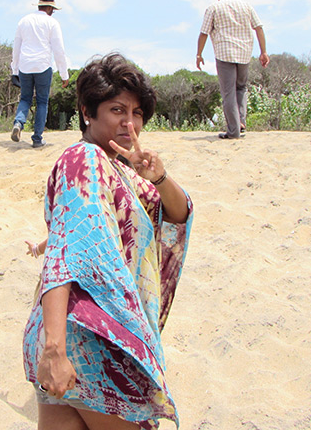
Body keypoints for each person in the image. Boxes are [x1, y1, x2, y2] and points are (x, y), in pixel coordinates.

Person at [22, 53, 193, 430]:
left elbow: (177, 217)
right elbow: (65, 256)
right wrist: (54, 349)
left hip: (75, 335)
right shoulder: (83, 161)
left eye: (137, 112)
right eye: (117, 109)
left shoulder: (121, 169)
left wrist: (159, 178)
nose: (129, 122)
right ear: (87, 111)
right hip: (85, 336)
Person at [196, 0, 270, 139]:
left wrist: (199, 54)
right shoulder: (246, 6)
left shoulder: (214, 7)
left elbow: (204, 32)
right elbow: (259, 27)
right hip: (244, 53)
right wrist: (263, 52)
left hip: (225, 53)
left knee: (228, 92)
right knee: (241, 88)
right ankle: (241, 122)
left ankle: (233, 130)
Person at [11, 0, 70, 148]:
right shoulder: (52, 23)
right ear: (50, 8)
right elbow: (59, 50)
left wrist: (14, 70)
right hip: (43, 66)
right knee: (42, 102)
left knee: (25, 98)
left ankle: (18, 123)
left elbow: (16, 47)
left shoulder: (23, 21)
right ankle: (37, 139)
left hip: (25, 66)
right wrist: (64, 74)